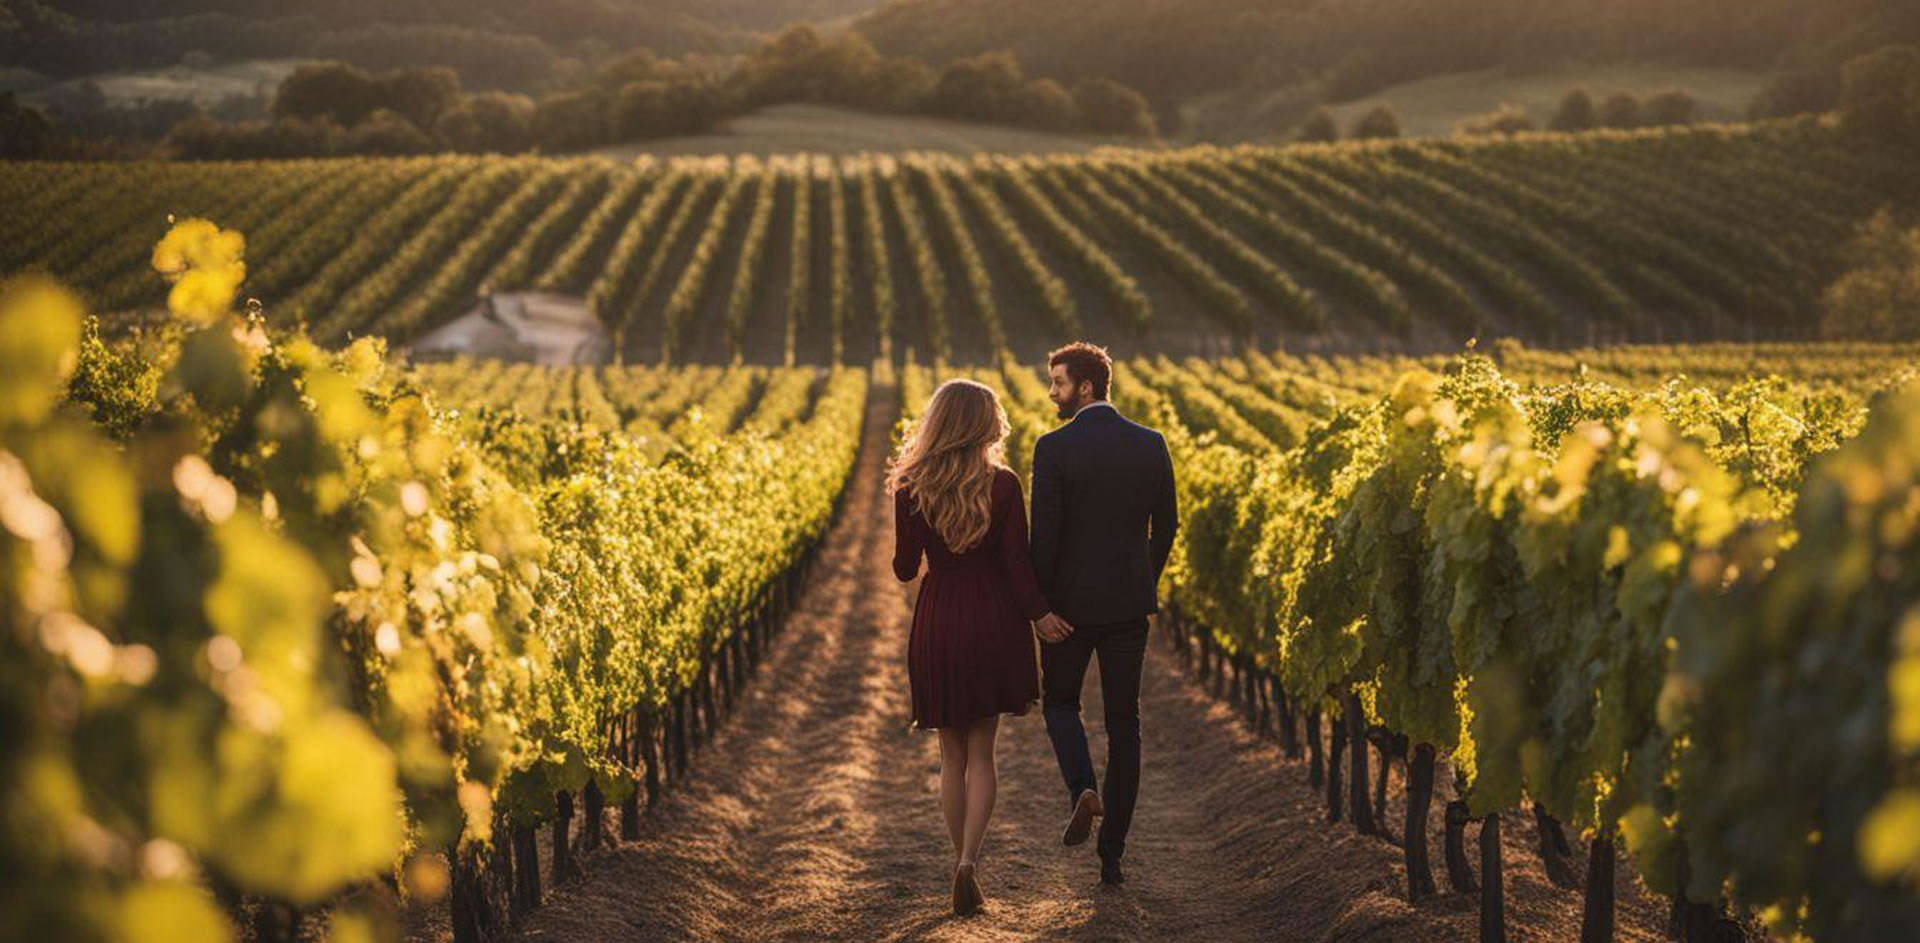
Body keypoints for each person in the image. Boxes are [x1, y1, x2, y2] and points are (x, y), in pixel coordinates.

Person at [889, 378, 1060, 916]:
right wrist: (1040, 616)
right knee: (983, 754)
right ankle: (968, 863)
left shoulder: (912, 486)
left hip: (940, 619)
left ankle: (956, 863)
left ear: (938, 422)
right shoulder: (1004, 485)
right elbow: (1016, 563)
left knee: (951, 754)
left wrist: (912, 518)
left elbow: (903, 569)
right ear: (983, 423)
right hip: (994, 620)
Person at [1029, 341, 1179, 886]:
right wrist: (1144, 578)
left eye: (1059, 382)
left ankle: (1081, 788)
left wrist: (1041, 606)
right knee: (1125, 725)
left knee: (1061, 704)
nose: (1052, 393)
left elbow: (1042, 539)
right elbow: (1167, 525)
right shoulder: (1151, 443)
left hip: (1067, 611)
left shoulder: (1052, 448)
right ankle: (1112, 854)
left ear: (1086, 387)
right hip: (1127, 608)